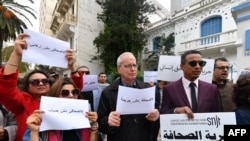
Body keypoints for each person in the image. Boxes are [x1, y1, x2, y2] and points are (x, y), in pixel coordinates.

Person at [0, 33, 83, 141]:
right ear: (28, 86)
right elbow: (6, 90)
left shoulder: (59, 98)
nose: (41, 84)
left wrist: (72, 67)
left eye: (45, 81)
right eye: (35, 82)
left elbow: (76, 88)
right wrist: (16, 54)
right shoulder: (22, 102)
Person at [97, 52, 159, 141]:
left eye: (134, 65)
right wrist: (108, 121)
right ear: (119, 69)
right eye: (128, 66)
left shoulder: (146, 89)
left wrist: (156, 117)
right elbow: (100, 122)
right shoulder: (108, 92)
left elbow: (156, 117)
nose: (133, 69)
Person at [25, 77, 98, 141]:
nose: (71, 95)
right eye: (65, 93)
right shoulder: (41, 119)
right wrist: (34, 131)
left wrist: (93, 125)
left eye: (74, 92)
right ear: (56, 95)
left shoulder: (85, 117)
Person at [160, 50, 222, 119]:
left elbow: (217, 115)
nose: (198, 67)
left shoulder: (212, 89)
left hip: (205, 129)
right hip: (181, 129)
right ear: (182, 66)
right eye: (193, 63)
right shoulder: (169, 89)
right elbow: (163, 114)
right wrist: (176, 110)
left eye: (201, 63)